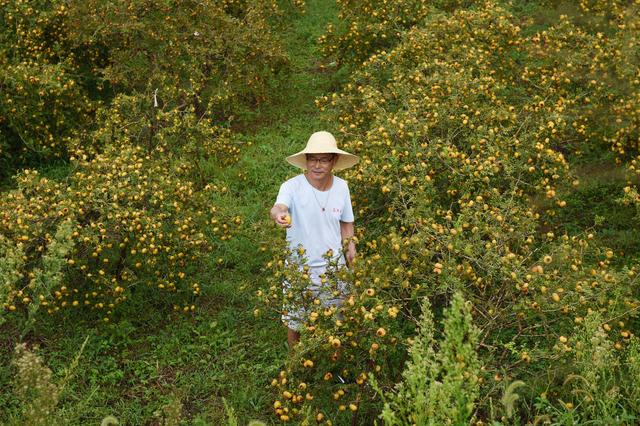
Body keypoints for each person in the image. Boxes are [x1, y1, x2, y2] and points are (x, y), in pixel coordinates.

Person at [270, 131, 359, 349]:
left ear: (334, 161)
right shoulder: (291, 187)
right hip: (300, 270)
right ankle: (295, 368)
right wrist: (278, 214)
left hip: (333, 270)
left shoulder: (342, 187)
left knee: (338, 324)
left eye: (323, 159)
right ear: (306, 160)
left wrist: (353, 258)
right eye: (312, 159)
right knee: (296, 324)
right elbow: (279, 207)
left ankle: (332, 366)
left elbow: (346, 226)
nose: (317, 165)